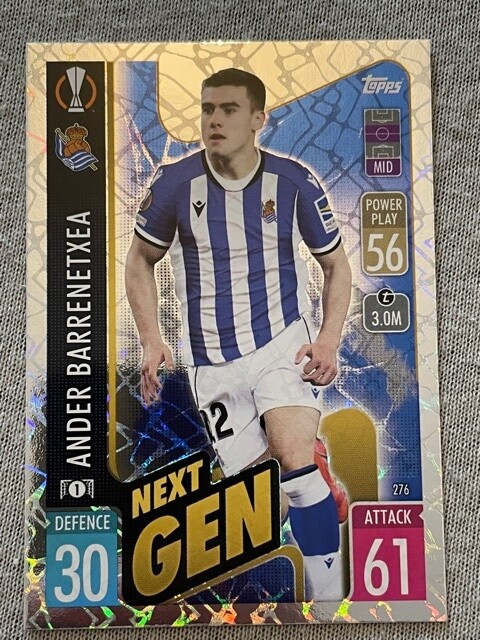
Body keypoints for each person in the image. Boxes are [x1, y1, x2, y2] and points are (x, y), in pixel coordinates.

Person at [125, 68, 352, 601]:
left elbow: (336, 266)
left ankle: (327, 598)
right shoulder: (174, 184)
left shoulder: (293, 181)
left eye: (228, 109)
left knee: (295, 468)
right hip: (210, 363)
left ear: (257, 119)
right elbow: (139, 261)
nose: (214, 120)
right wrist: (152, 339)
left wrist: (327, 340)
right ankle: (309, 458)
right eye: (208, 109)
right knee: (264, 498)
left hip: (281, 343)